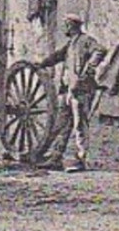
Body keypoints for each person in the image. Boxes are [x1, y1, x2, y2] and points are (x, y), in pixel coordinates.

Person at [34, 14, 106, 172]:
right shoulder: (70, 44)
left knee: (80, 125)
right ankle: (56, 157)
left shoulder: (85, 41)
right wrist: (42, 63)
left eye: (67, 25)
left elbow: (100, 50)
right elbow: (57, 56)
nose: (65, 28)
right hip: (67, 91)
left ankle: (80, 159)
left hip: (81, 90)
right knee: (61, 125)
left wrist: (89, 68)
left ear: (73, 26)